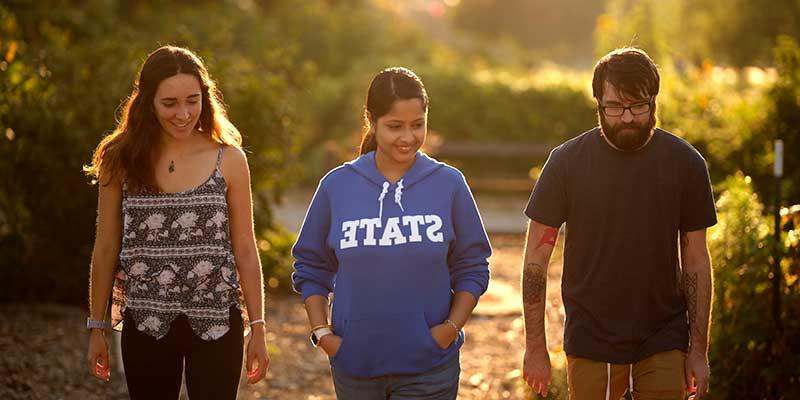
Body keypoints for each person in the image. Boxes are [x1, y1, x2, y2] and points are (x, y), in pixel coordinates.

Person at [521, 48, 716, 400]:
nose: (626, 117)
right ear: (598, 103)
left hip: (664, 337)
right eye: (614, 107)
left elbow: (697, 261)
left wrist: (699, 350)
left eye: (638, 106)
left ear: (654, 102)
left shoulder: (686, 164)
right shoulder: (567, 163)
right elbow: (535, 261)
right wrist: (536, 347)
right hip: (591, 338)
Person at [291, 67, 491, 399]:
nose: (408, 137)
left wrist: (449, 329)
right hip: (355, 369)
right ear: (371, 120)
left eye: (418, 125)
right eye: (395, 126)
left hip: (430, 368)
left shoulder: (449, 184)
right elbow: (311, 266)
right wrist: (323, 333)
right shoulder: (337, 186)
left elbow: (473, 265)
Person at [84, 45, 269, 399]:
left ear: (206, 98)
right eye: (169, 103)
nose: (183, 113)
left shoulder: (229, 158)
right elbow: (106, 245)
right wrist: (97, 326)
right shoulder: (119, 158)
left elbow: (245, 246)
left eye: (192, 100)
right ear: (147, 101)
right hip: (146, 321)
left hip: (217, 321)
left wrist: (258, 328)